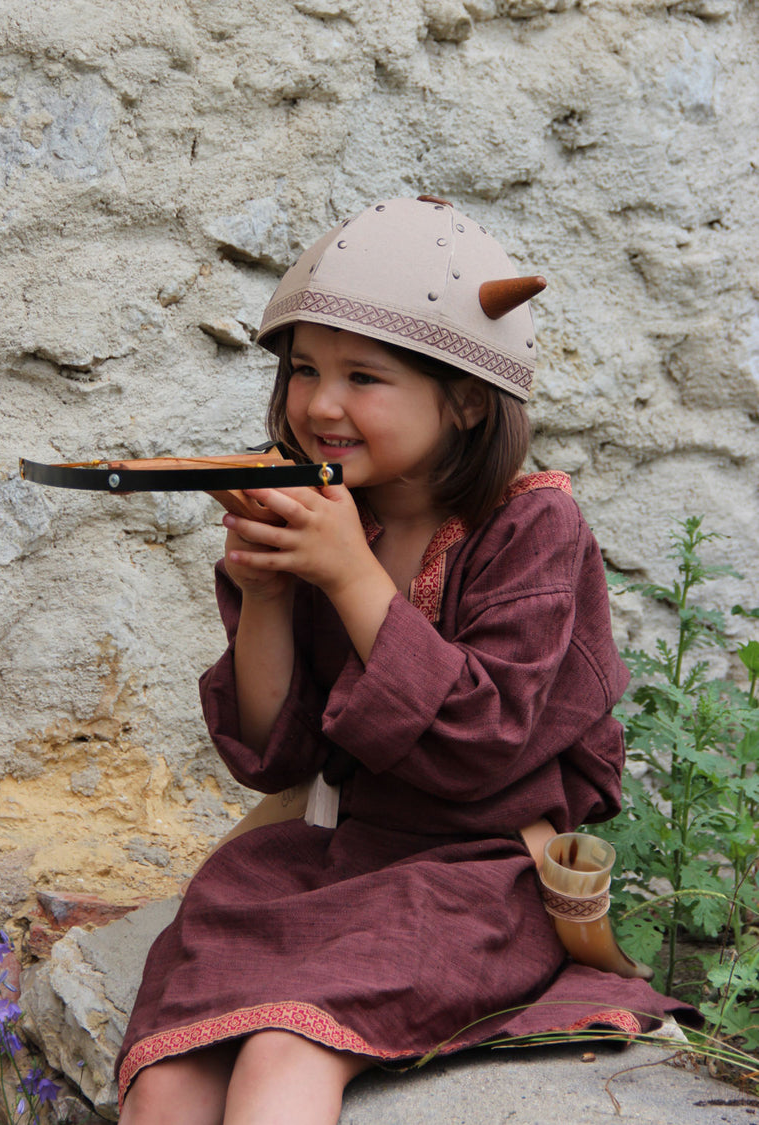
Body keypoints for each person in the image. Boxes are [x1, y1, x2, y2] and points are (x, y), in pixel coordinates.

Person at [115, 197, 693, 1125]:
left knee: (281, 1050)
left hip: (474, 878)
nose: (320, 405)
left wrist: (349, 574)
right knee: (170, 1073)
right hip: (327, 861)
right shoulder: (335, 508)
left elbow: (482, 741)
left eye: (364, 376)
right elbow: (272, 754)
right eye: (305, 369)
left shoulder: (533, 526)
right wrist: (266, 593)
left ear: (467, 396)